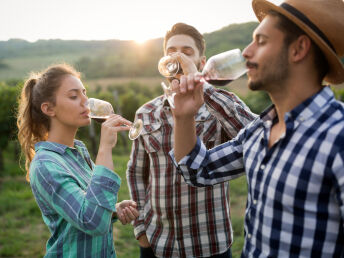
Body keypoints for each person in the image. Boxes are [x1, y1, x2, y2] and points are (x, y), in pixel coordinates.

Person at [170, 0, 344, 257]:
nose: (247, 52)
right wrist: (184, 117)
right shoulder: (258, 131)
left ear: (298, 49)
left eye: (260, 41)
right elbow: (197, 170)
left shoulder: (338, 136)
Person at [126, 23, 256, 258]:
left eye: (186, 52)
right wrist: (142, 232)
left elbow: (258, 137)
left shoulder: (220, 105)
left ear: (202, 62)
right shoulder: (145, 113)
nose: (177, 57)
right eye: (171, 51)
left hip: (210, 245)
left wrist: (201, 86)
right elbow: (136, 173)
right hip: (158, 245)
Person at [17, 64, 139, 257]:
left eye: (84, 93)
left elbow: (86, 205)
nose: (86, 102)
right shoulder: (45, 166)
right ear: (49, 109)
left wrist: (113, 209)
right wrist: (105, 148)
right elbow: (93, 222)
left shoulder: (78, 150)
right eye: (74, 96)